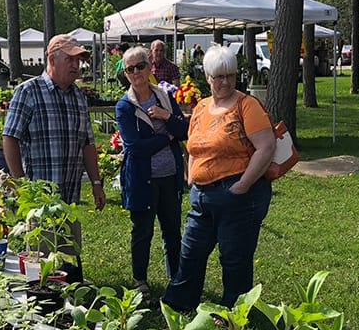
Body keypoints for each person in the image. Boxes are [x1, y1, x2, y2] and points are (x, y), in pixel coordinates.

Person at [162, 44, 275, 313]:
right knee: (191, 251)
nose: (225, 82)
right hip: (201, 194)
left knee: (234, 257)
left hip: (237, 194)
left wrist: (243, 184)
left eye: (230, 76)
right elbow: (193, 142)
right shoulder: (200, 107)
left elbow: (266, 147)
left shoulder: (247, 106)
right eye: (219, 76)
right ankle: (179, 302)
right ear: (208, 78)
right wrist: (191, 174)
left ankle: (234, 310)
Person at [3, 34, 106, 280]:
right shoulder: (28, 92)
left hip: (69, 200)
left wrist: (96, 183)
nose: (76, 66)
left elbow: (88, 143)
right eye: (70, 59)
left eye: (79, 60)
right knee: (42, 273)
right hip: (39, 201)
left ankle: (70, 307)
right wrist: (21, 185)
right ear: (51, 58)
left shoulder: (78, 96)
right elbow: (10, 138)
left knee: (69, 269)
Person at [114, 46, 188, 297]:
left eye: (140, 66)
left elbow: (184, 130)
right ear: (125, 73)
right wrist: (166, 137)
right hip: (141, 179)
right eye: (130, 69)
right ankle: (140, 280)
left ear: (149, 67)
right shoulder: (125, 106)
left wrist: (166, 117)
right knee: (142, 231)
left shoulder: (165, 96)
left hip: (169, 176)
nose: (136, 72)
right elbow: (135, 148)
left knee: (171, 230)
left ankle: (176, 278)